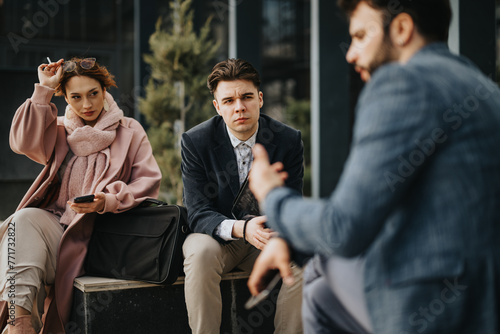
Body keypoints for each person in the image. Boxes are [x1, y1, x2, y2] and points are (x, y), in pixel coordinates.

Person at [247, 0, 500, 333]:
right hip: (485, 302)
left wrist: (272, 196)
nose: (351, 54)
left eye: (361, 35)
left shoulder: (402, 83)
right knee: (321, 291)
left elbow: (344, 228)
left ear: (401, 29)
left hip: (431, 307)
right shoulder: (485, 90)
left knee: (323, 267)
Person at [0, 57, 161, 334]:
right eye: (76, 97)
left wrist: (107, 201)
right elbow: (21, 143)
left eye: (93, 94)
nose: (87, 105)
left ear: (105, 89)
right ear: (65, 97)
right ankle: (20, 322)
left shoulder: (130, 130)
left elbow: (148, 182)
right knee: (22, 221)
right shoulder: (59, 128)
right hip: (58, 231)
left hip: (104, 237)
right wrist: (43, 90)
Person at [181, 58, 304, 334]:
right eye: (228, 101)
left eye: (247, 97)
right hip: (217, 238)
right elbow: (197, 210)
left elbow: (292, 203)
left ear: (260, 99)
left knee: (303, 255)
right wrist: (242, 228)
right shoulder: (196, 141)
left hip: (266, 238)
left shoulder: (288, 140)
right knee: (199, 253)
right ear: (217, 106)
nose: (239, 107)